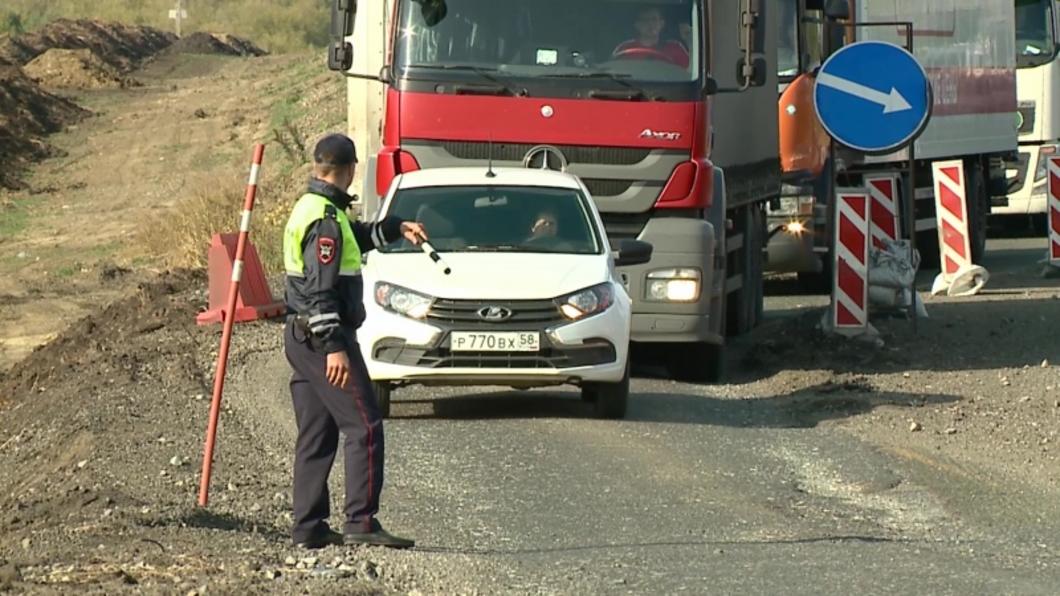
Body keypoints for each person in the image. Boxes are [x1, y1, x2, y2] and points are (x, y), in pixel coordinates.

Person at [282, 133, 428, 550]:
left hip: (300, 335)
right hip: (322, 336)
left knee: (317, 433)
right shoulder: (325, 219)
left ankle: (308, 526)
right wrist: (334, 348)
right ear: (350, 171)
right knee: (363, 425)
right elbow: (321, 291)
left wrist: (396, 228)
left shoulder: (316, 208)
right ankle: (361, 521)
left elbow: (357, 237)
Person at [612, 7, 689, 68]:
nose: (650, 23)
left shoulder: (675, 48)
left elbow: (689, 73)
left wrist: (691, 42)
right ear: (637, 25)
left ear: (662, 24)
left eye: (654, 19)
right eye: (645, 20)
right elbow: (613, 72)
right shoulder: (624, 49)